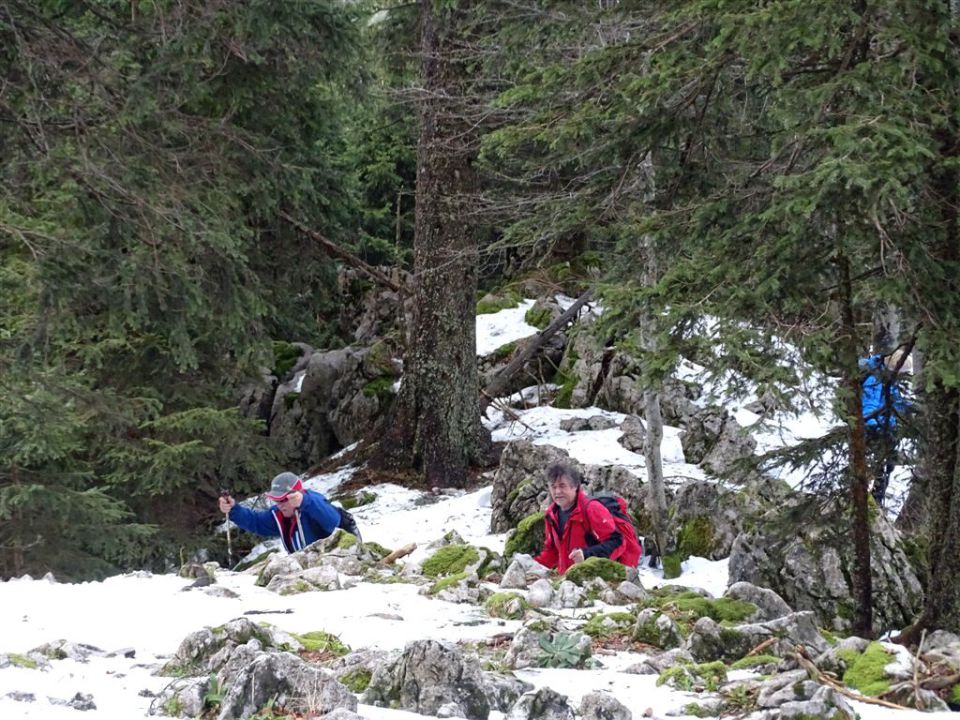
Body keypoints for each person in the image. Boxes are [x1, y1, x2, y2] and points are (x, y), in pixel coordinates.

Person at [219, 472, 361, 553]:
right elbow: (256, 522)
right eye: (276, 500)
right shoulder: (280, 514)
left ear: (298, 495)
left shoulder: (313, 503)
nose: (280, 505)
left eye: (284, 500)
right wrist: (234, 510)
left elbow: (332, 521)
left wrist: (304, 501)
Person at [533, 463, 636, 574]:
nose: (557, 492)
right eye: (553, 487)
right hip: (568, 581)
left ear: (575, 487)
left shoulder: (592, 509)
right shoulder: (551, 514)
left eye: (562, 486)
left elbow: (618, 542)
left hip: (598, 580)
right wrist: (532, 566)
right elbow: (551, 552)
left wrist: (586, 555)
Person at [860, 348, 912, 506]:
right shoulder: (874, 377)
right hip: (875, 427)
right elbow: (869, 404)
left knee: (888, 465)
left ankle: (876, 500)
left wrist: (912, 408)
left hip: (885, 426)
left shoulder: (888, 378)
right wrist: (872, 427)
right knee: (880, 466)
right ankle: (873, 501)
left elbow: (895, 400)